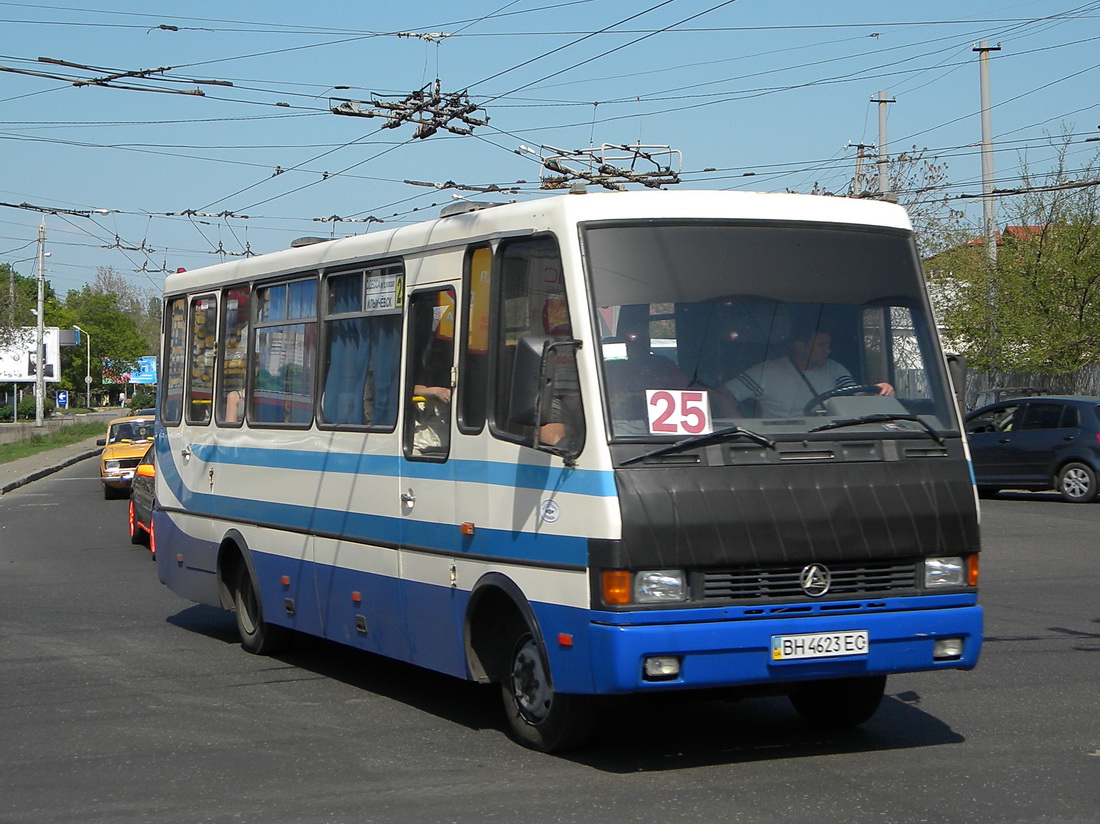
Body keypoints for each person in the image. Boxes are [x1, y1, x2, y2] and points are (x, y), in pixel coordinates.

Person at [727, 327, 893, 417]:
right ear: (800, 346)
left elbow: (854, 399)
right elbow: (723, 394)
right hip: (781, 445)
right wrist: (741, 429)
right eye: (821, 345)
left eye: (828, 345)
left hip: (829, 441)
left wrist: (879, 391)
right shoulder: (767, 372)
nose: (828, 350)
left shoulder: (834, 368)